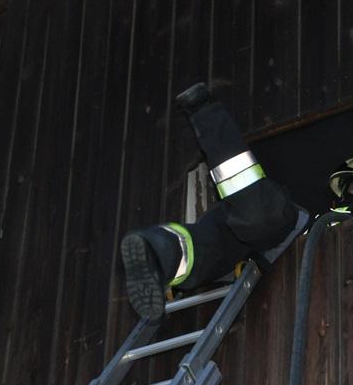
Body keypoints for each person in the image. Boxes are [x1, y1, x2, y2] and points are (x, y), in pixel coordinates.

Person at [121, 83, 309, 321]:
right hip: (264, 229)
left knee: (205, 247)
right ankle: (155, 257)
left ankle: (157, 251)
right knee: (245, 210)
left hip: (254, 241)